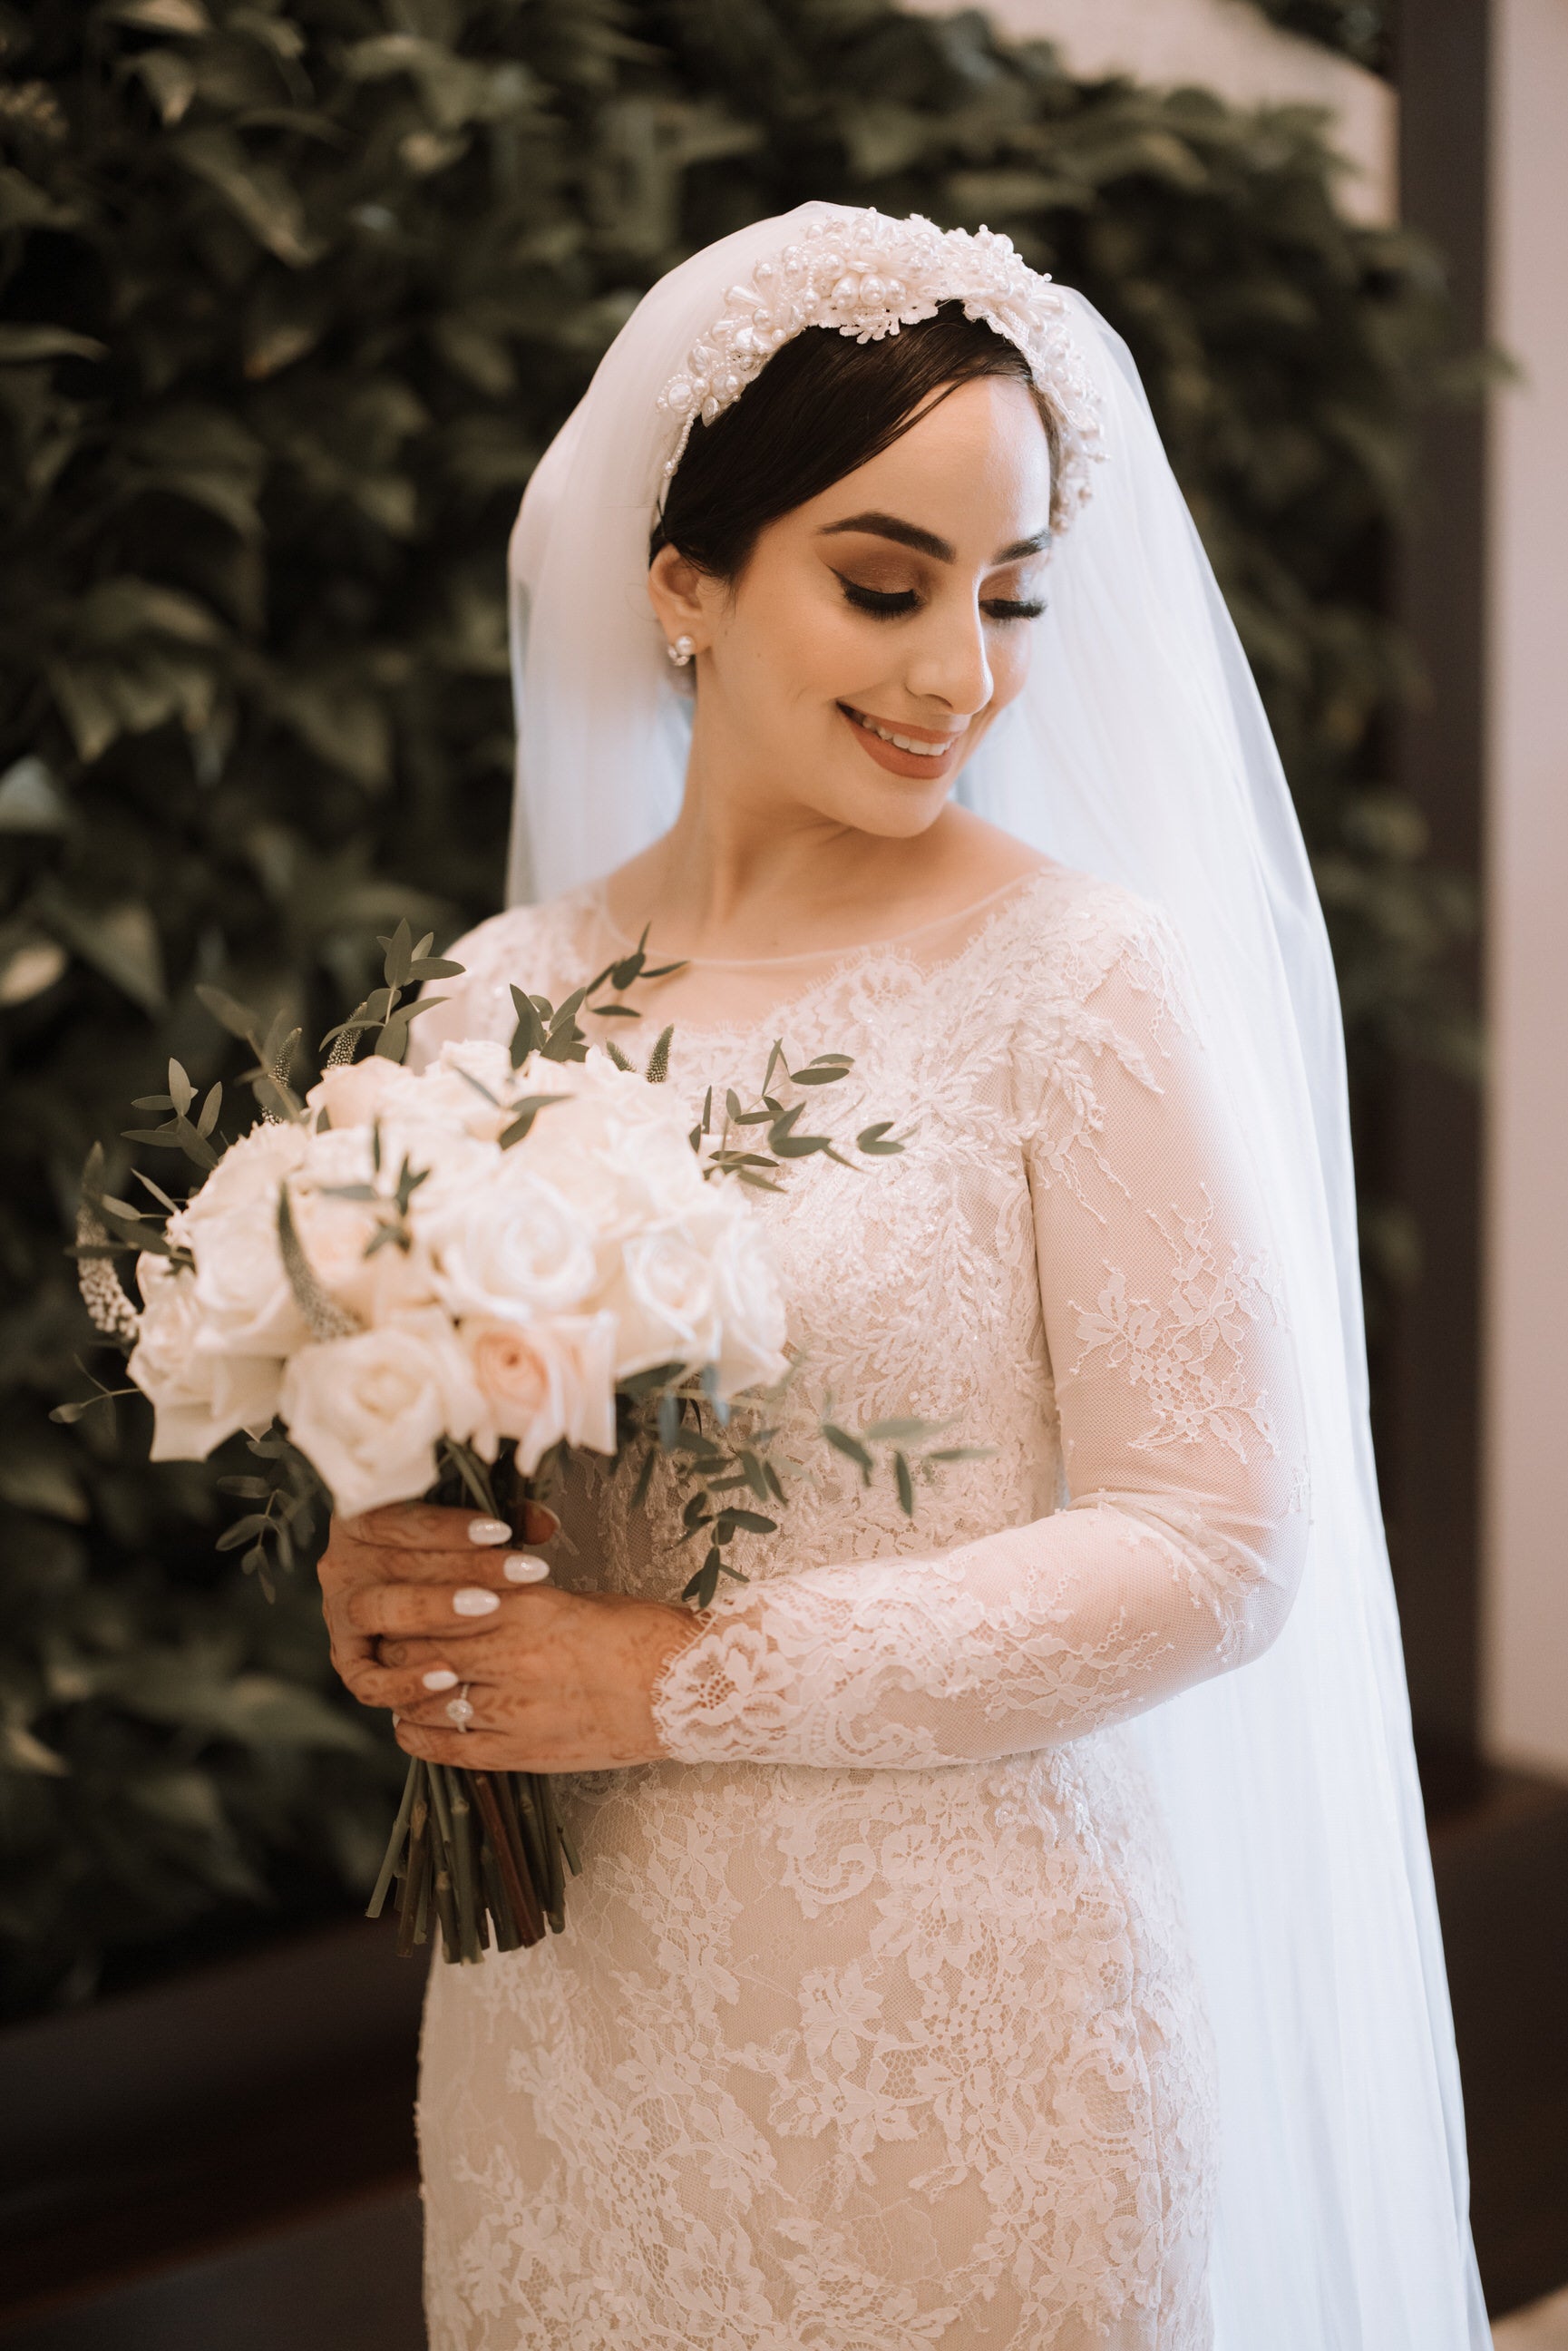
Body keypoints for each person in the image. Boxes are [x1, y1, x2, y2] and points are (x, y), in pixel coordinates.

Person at [317, 207, 1488, 2348]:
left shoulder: (1082, 983)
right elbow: (460, 1472)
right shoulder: (491, 1007)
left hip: (967, 2056)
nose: (963, 672)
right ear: (683, 582)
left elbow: (1212, 1545)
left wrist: (664, 1679)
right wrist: (391, 1569)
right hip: (573, 2038)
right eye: (885, 585)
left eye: (1008, 594)